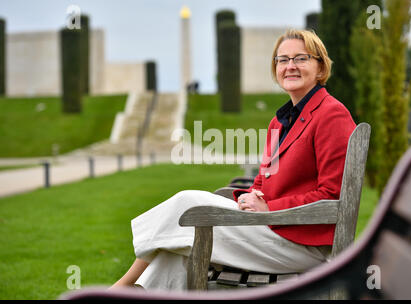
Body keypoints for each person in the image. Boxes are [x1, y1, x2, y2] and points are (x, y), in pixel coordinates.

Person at [111, 29, 356, 290]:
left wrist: (270, 209)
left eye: (301, 58)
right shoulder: (279, 123)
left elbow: (333, 197)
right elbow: (263, 181)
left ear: (320, 68)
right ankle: (129, 295)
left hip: (302, 244)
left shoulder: (331, 115)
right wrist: (248, 199)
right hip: (268, 229)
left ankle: (120, 286)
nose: (290, 66)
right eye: (282, 60)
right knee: (173, 258)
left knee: (187, 203)